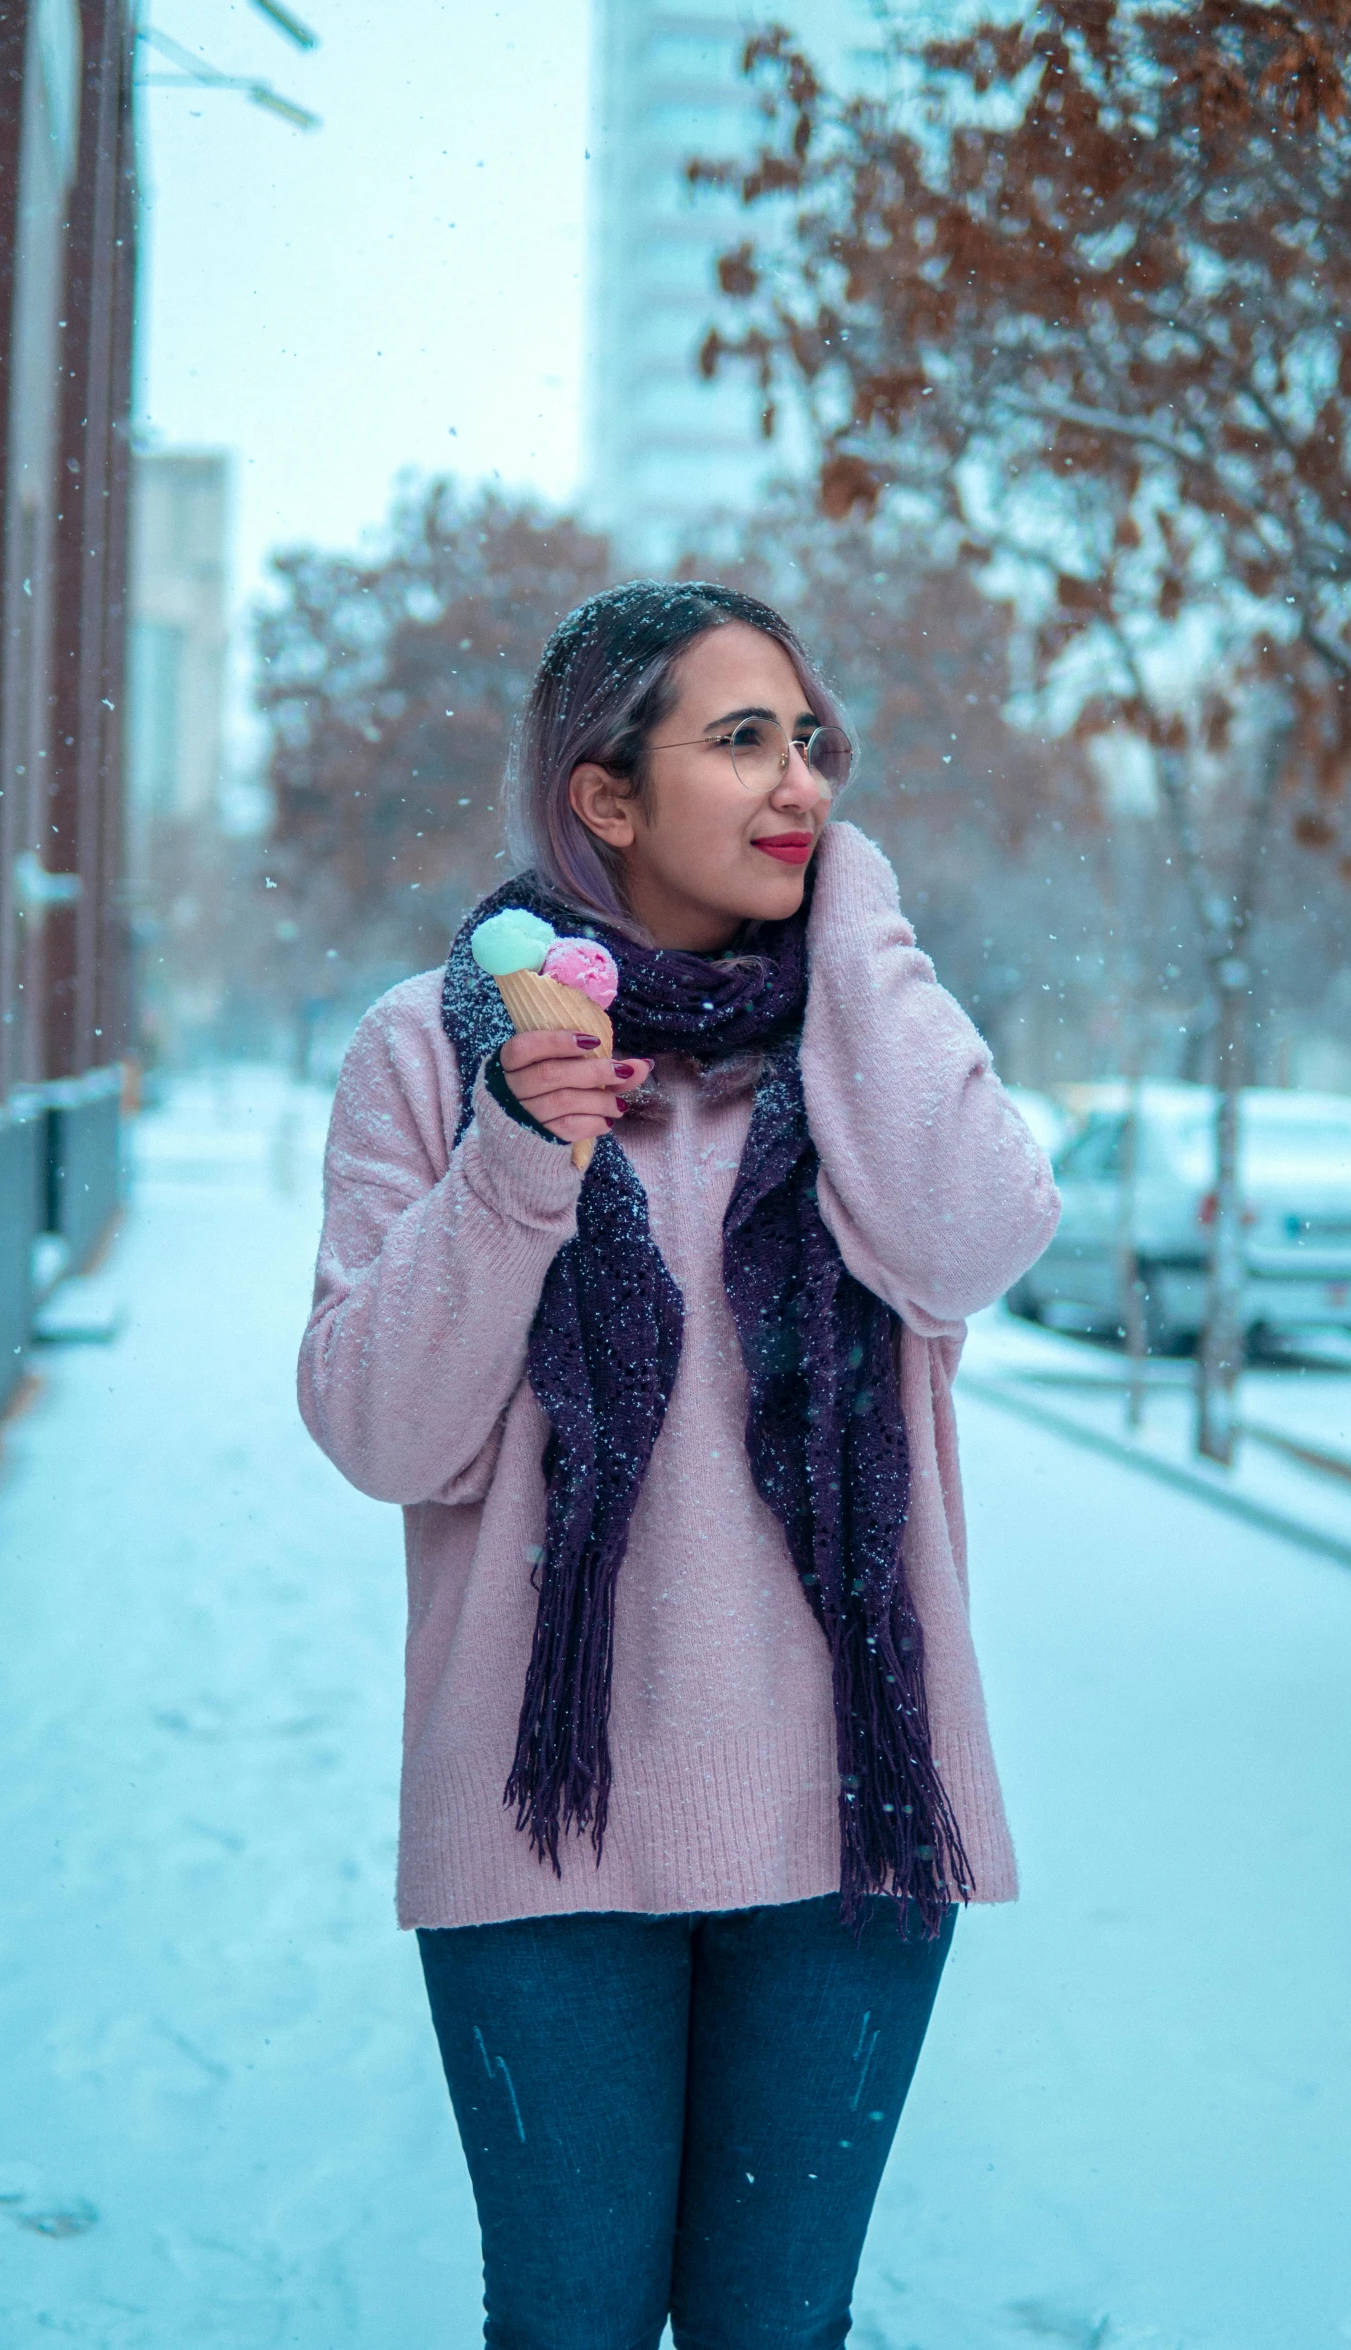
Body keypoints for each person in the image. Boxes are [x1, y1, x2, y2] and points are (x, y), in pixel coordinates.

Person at [298, 580, 1059, 2349]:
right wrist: (515, 1163)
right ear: (604, 795)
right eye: (741, 740)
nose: (799, 781)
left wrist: (851, 912)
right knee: (565, 2322)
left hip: (851, 1832)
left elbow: (970, 1237)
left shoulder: (860, 1044)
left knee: (775, 2332)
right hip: (539, 1834)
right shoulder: (433, 1050)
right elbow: (379, 1430)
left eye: (813, 742)